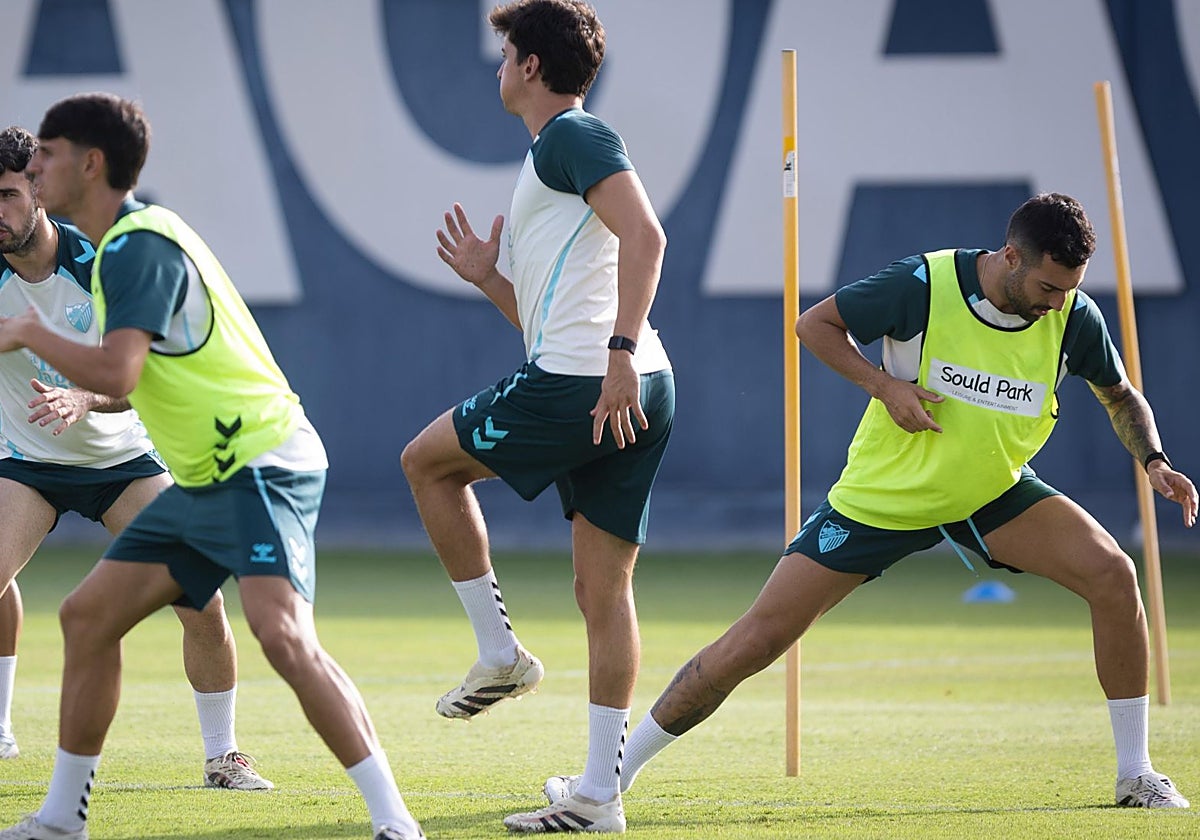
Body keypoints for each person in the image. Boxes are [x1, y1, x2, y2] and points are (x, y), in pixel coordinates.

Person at [540, 192, 1196, 818]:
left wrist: (1156, 461)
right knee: (756, 640)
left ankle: (1136, 774)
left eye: (1070, 289)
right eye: (1049, 288)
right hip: (884, 497)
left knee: (1115, 574)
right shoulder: (923, 285)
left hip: (991, 491)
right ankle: (604, 781)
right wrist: (883, 386)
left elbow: (1120, 395)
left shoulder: (1072, 318)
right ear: (1011, 256)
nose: (1058, 304)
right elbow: (814, 324)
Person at [0, 95, 423, 840]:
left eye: (50, 154)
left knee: (281, 634)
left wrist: (31, 332)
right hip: (204, 477)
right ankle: (63, 818)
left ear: (89, 164)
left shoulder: (137, 246)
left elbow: (120, 374)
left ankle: (395, 822)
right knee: (87, 617)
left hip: (261, 460)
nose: (36, 166)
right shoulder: (126, 245)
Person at [400, 0, 674, 833]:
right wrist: (489, 276)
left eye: (506, 51)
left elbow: (648, 237)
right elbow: (553, 314)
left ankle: (500, 653)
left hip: (590, 380)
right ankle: (598, 795)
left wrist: (618, 354)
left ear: (529, 66)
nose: (498, 66)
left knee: (426, 463)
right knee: (603, 592)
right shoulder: (553, 154)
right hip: (635, 381)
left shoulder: (571, 136)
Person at [0, 124, 272, 790]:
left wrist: (83, 400)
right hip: (25, 461)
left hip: (122, 461)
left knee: (199, 600)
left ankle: (223, 755)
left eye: (6, 195)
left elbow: (139, 375)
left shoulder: (102, 263)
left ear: (36, 190)